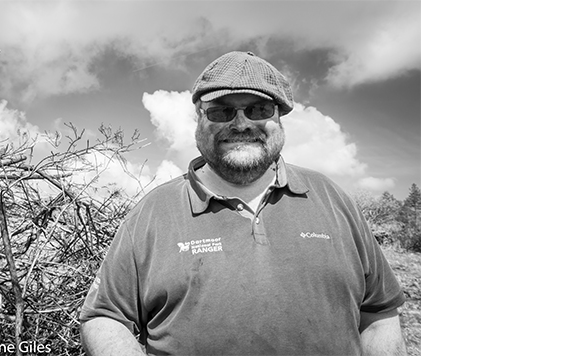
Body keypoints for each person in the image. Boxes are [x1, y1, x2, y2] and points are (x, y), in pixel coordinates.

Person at [79, 51, 407, 356]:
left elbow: (379, 312)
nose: (241, 123)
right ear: (199, 120)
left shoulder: (334, 200)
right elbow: (105, 317)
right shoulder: (152, 213)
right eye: (222, 111)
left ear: (280, 119)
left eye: (258, 109)